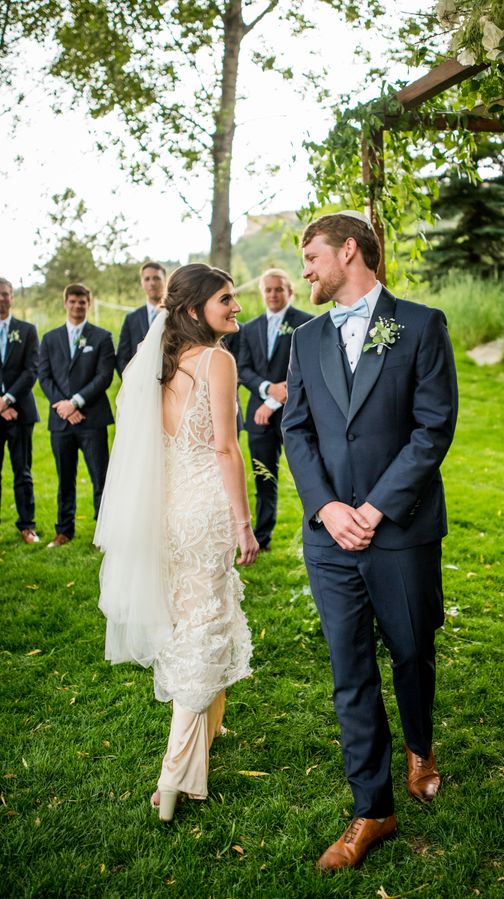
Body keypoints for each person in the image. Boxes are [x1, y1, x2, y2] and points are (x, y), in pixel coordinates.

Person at [282, 211, 458, 871]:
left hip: (402, 528)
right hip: (330, 537)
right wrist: (327, 507)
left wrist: (377, 508)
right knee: (350, 670)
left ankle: (420, 745)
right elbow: (296, 429)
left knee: (411, 651)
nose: (305, 270)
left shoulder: (421, 324)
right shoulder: (305, 337)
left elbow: (433, 427)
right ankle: (373, 808)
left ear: (348, 251)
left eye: (312, 257)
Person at [95, 263, 258, 823]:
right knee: (203, 632)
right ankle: (174, 777)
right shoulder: (216, 360)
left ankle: (204, 741)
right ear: (193, 310)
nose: (236, 307)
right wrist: (243, 523)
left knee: (198, 621)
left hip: (167, 511)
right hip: (206, 511)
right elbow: (226, 449)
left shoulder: (160, 362)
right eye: (226, 299)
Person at [237, 268, 313, 550]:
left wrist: (275, 401)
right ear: (262, 293)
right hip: (259, 418)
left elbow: (308, 371)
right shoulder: (249, 328)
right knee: (263, 477)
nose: (273, 294)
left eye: (278, 289)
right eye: (268, 289)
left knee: (308, 474)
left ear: (289, 291)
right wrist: (268, 390)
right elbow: (243, 369)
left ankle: (317, 531)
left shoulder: (306, 323)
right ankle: (262, 538)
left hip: (296, 413)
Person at [39, 283, 116, 547]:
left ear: (88, 304)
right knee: (65, 478)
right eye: (72, 301)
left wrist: (76, 402)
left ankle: (105, 533)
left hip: (92, 419)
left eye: (82, 302)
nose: (77, 306)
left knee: (100, 478)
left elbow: (104, 376)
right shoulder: (49, 338)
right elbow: (44, 376)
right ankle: (63, 531)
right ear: (65, 303)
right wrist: (64, 406)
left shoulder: (102, 337)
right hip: (61, 421)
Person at [0, 277, 40, 543]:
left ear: (12, 297)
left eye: (5, 293)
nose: (1, 298)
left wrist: (8, 400)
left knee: (22, 472)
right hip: (3, 410)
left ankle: (27, 526)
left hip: (21, 413)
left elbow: (31, 370)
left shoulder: (26, 330)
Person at [116, 261, 167, 376]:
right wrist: (131, 380)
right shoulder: (131, 319)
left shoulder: (176, 314)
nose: (152, 283)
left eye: (156, 278)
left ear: (165, 280)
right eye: (147, 279)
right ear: (142, 283)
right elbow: (122, 357)